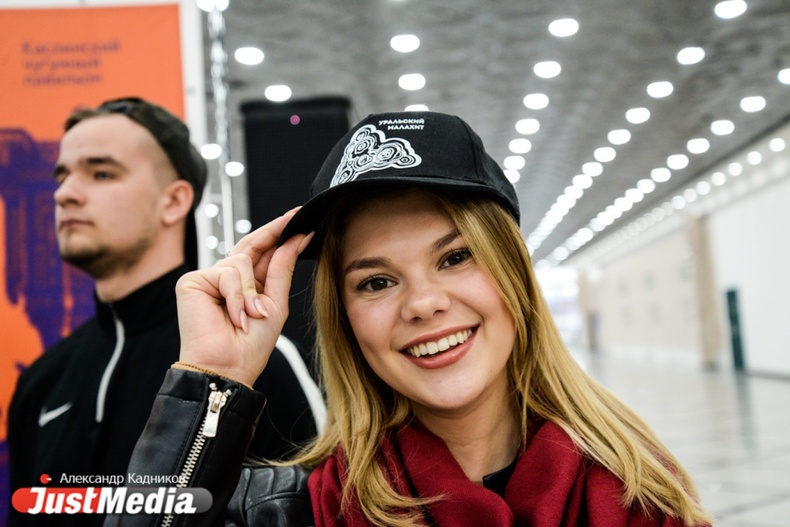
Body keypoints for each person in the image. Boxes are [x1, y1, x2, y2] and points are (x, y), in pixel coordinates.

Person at [109, 111, 713, 526]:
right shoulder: (286, 510)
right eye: (376, 281)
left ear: (513, 274)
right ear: (346, 320)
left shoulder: (642, 494)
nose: (423, 303)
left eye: (455, 257)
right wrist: (212, 378)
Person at [7, 97, 323, 527]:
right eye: (62, 176)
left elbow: (318, 510)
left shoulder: (254, 360)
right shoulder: (43, 381)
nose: (65, 194)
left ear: (174, 201)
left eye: (101, 173)